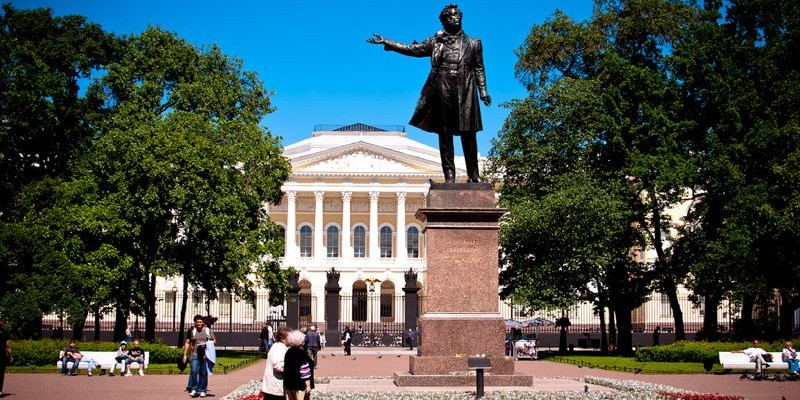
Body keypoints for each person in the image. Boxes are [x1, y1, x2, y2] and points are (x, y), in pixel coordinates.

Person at [367, 3, 491, 183]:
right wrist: (388, 42)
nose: (455, 18)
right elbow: (412, 49)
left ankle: (474, 175)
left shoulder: (474, 43)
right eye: (451, 16)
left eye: (457, 15)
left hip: (466, 90)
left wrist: (484, 91)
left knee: (469, 133)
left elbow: (479, 68)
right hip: (442, 89)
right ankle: (450, 176)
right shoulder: (435, 42)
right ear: (444, 20)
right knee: (445, 134)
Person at [183, 314, 216, 398]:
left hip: (205, 356)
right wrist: (185, 355)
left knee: (203, 373)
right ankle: (194, 389)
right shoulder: (192, 331)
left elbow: (215, 341)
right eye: (197, 322)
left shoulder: (208, 331)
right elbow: (187, 342)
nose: (199, 323)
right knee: (194, 371)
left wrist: (208, 342)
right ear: (195, 323)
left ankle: (203, 390)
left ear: (203, 323)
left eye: (200, 322)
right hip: (195, 354)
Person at [283, 330, 314, 400]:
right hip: (300, 384)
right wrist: (308, 385)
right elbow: (305, 370)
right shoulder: (301, 353)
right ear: (300, 342)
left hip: (289, 384)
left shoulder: (288, 352)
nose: (304, 342)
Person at [261, 327, 290, 400]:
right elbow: (278, 366)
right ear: (283, 338)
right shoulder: (279, 348)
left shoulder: (280, 346)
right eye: (289, 337)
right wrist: (292, 366)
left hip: (275, 387)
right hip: (275, 387)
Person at [0, 319, 11, 397]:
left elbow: (7, 345)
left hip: (2, 355)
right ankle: (0, 390)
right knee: (1, 373)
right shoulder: (4, 333)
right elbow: (7, 345)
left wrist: (9, 354)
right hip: (2, 355)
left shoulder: (4, 333)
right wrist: (10, 355)